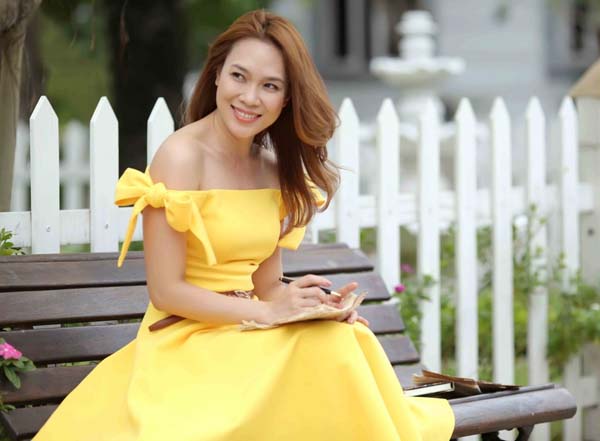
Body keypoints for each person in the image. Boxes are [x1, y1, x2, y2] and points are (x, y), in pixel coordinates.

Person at [33, 9, 454, 441]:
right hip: (188, 339)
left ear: (286, 99)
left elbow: (266, 286)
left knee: (342, 338)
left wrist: (308, 306)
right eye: (239, 76)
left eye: (270, 86)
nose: (250, 97)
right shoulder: (181, 157)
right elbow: (167, 291)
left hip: (246, 332)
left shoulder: (270, 169)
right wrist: (267, 312)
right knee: (329, 352)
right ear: (217, 75)